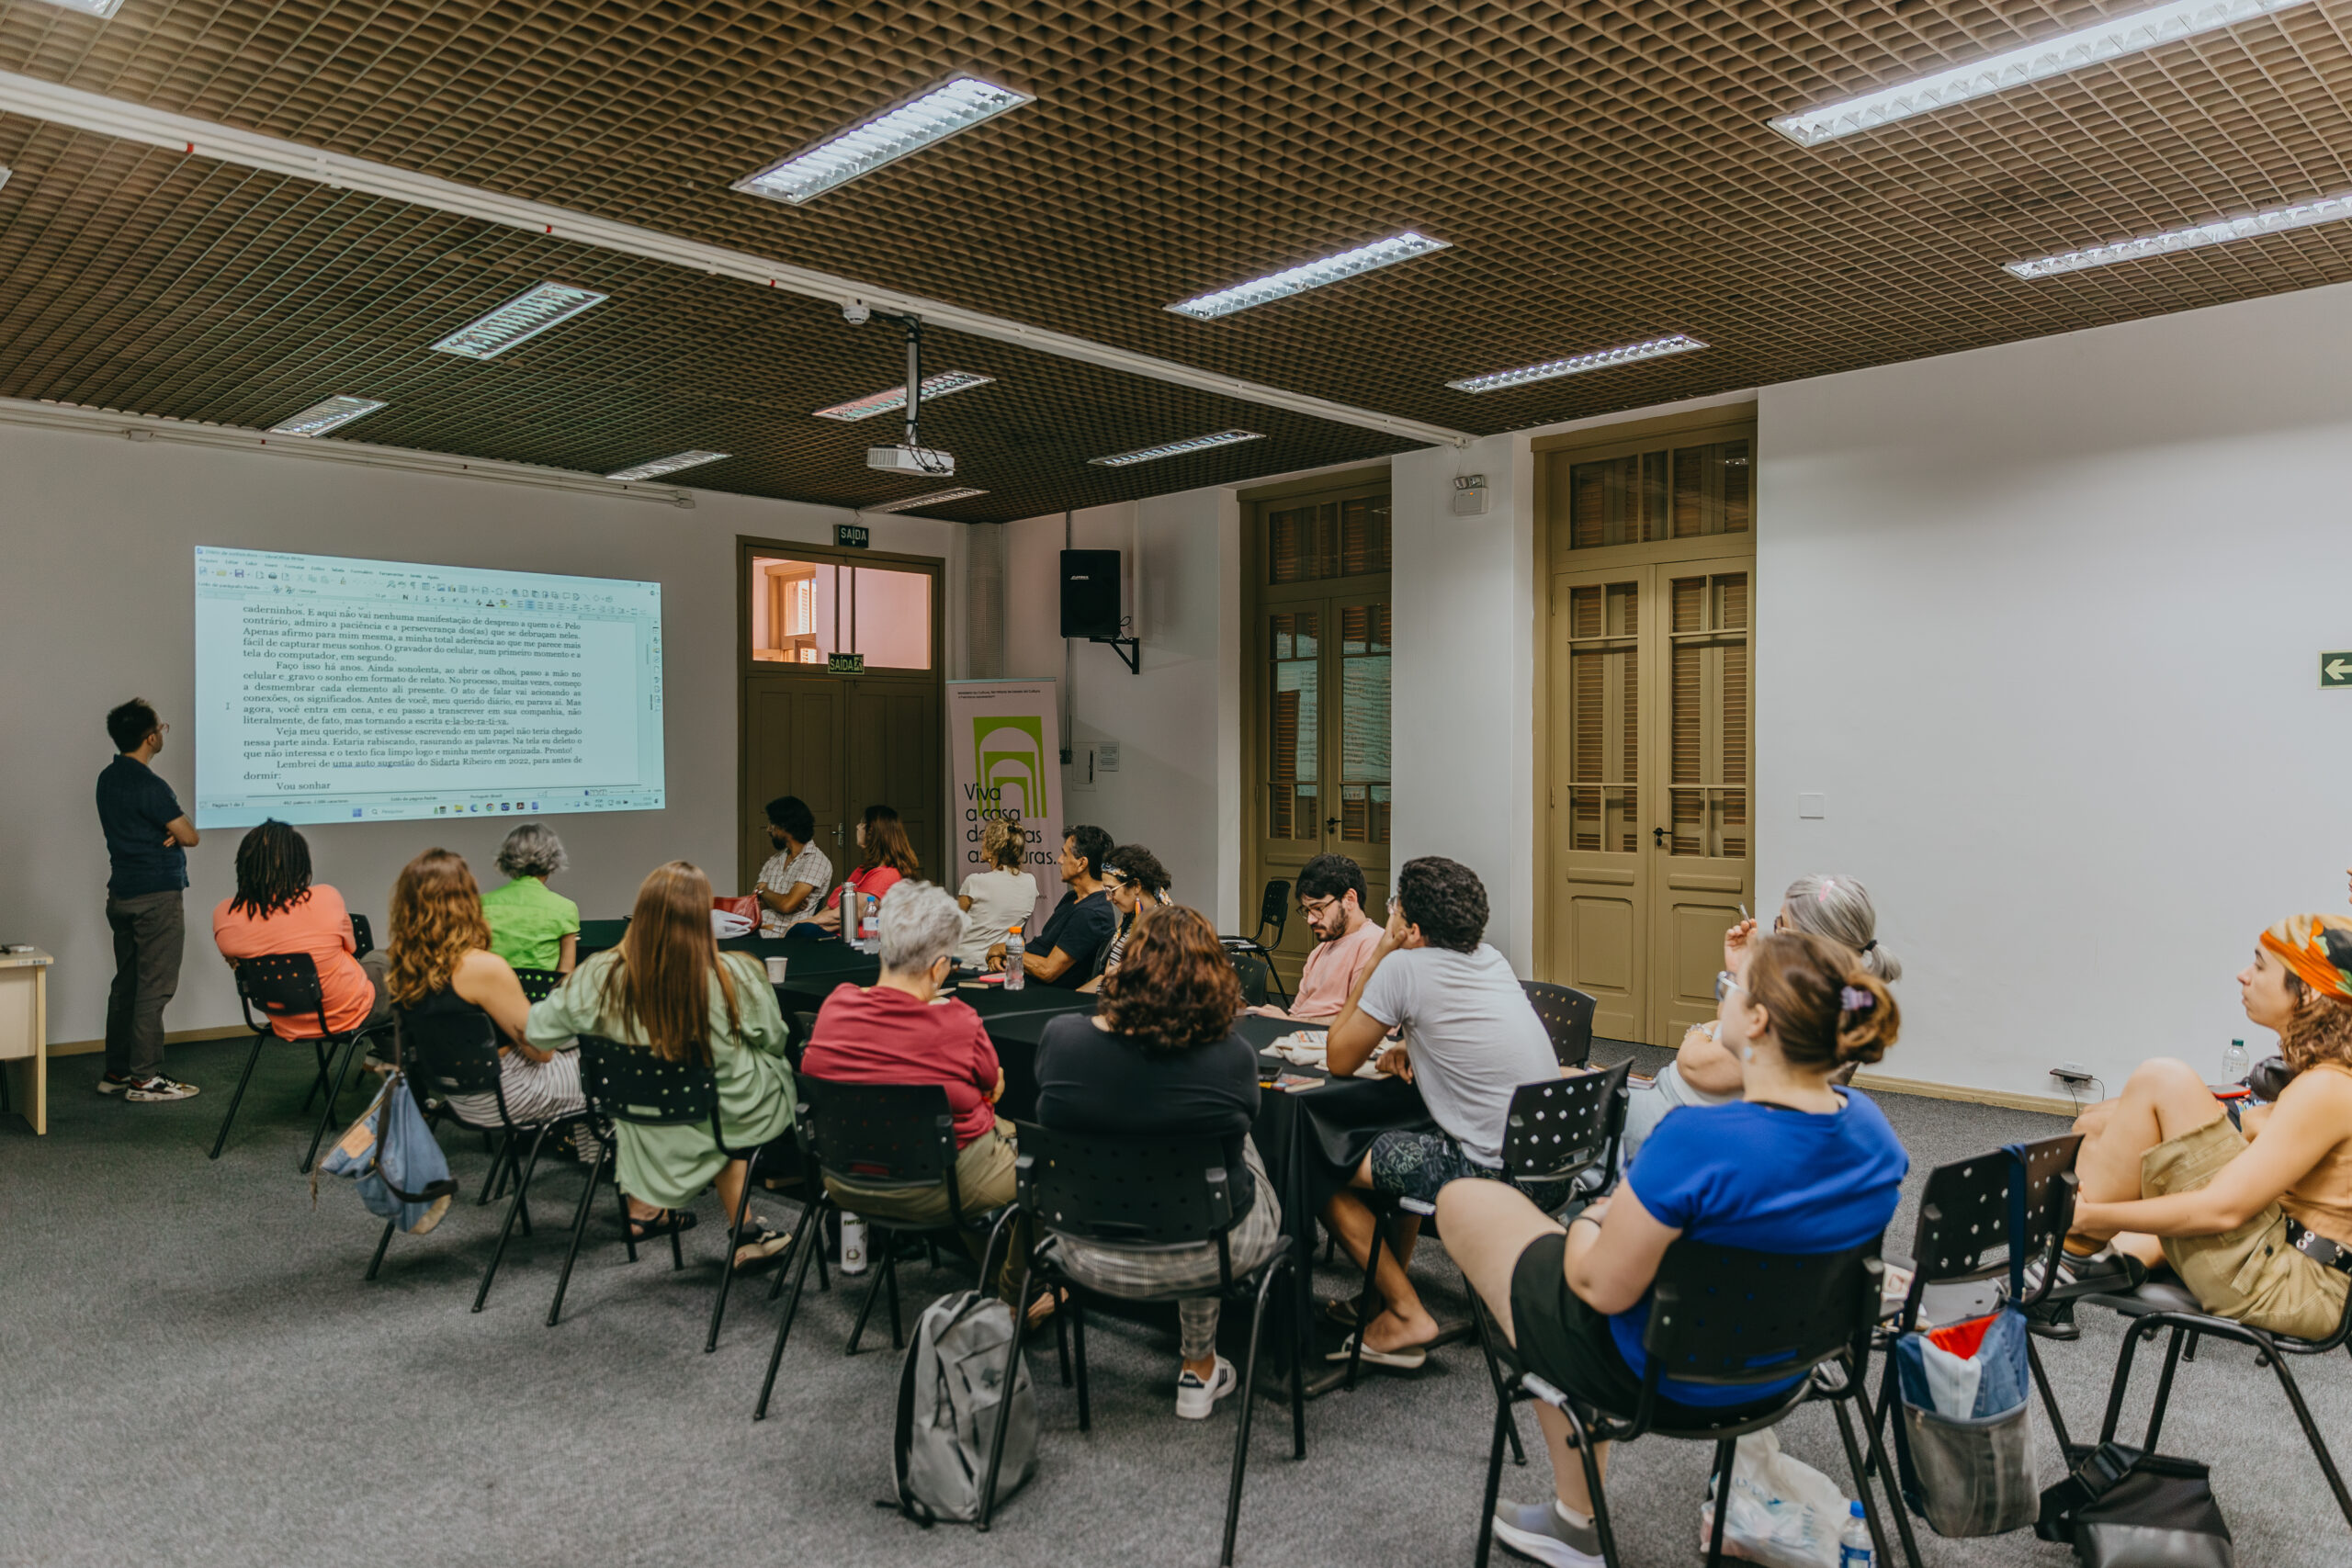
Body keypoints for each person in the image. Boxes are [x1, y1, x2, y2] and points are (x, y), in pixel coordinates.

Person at [1437, 931, 1906, 1567]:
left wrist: (1585, 1225)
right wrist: (1753, 972)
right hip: (1783, 1371)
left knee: (1470, 1206)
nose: (1722, 1001)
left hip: (1656, 1376)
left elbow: (1602, 1288)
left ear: (1760, 1019)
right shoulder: (1873, 1132)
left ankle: (1576, 1518)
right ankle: (1572, 1509)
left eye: (1729, 992)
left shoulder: (1697, 1139)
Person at [2040, 914, 2352, 1339]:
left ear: (2309, 992)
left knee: (2162, 1079)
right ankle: (2074, 1263)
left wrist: (2087, 1214)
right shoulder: (2326, 1075)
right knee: (2124, 1110)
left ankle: (2067, 1262)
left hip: (2290, 1284)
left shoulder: (2328, 1087)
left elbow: (2223, 1210)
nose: (2244, 975)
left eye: (2260, 966)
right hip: (2284, 1254)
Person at [1035, 904, 1283, 1419]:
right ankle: (1198, 1365)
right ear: (1214, 976)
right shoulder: (1232, 1056)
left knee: (1195, 1166)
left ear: (1126, 968)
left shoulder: (1061, 1039)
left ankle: (1200, 1361)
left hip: (1084, 1252)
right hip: (1209, 1254)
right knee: (1228, 1155)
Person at [1320, 856, 1562, 1368]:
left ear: (1411, 925)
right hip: (1552, 1164)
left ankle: (1407, 1314)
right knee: (1405, 1143)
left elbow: (1339, 1057)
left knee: (1320, 1161)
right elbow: (1471, 1030)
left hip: (1493, 1173)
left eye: (1395, 909)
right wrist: (1417, 1047)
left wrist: (1381, 952)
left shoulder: (1404, 968)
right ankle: (1387, 1295)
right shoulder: (1491, 959)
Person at [526, 861, 795, 1265]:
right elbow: (775, 1040)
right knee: (734, 1085)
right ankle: (744, 1228)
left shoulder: (600, 972)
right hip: (724, 1114)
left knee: (678, 1088)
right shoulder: (735, 973)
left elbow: (540, 1031)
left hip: (634, 1112)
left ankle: (646, 1207)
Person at [798, 881, 1026, 1301]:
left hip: (843, 1182)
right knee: (1047, 1169)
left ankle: (998, 1281)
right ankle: (1017, 1294)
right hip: (936, 1188)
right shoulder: (958, 1021)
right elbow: (993, 1087)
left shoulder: (836, 1005)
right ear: (940, 967)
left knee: (956, 1139)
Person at [1623, 874, 1903, 1164]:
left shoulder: (1793, 1015)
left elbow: (1694, 1066)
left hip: (1676, 1113)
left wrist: (1699, 1031)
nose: (1773, 935)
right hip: (1682, 1103)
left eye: (1779, 924)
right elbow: (1730, 1026)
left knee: (1573, 1093)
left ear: (1804, 941)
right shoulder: (1836, 1003)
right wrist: (1738, 970)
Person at [385, 849, 605, 1175]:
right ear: (466, 901)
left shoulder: (404, 965)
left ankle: (594, 1157)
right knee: (607, 1063)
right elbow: (541, 1052)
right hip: (507, 1094)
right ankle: (611, 1169)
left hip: (456, 1095)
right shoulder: (483, 967)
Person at [95, 698, 200, 1100]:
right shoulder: (151, 785)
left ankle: (117, 1073)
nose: (163, 733)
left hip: (121, 893)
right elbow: (190, 835)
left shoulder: (108, 778)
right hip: (156, 897)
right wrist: (175, 828)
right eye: (162, 728)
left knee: (127, 986)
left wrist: (169, 827)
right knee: (154, 989)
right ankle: (144, 1079)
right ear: (150, 737)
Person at [211, 819, 391, 1041]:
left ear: (245, 864)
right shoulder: (326, 898)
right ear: (299, 863)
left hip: (286, 1019)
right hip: (348, 1010)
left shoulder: (225, 913)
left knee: (378, 960)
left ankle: (383, 1056)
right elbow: (351, 948)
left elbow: (234, 960)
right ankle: (395, 1059)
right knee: (411, 973)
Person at [1247, 852, 1382, 1022]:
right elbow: (1297, 1015)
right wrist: (1282, 1021)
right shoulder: (1320, 951)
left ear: (1349, 899)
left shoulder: (1373, 944)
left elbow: (1363, 1024)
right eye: (1307, 911)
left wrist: (1288, 1022)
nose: (1311, 919)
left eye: (1318, 908)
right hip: (1302, 1039)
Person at [990, 825, 1116, 987]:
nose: (1059, 860)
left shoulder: (1091, 913)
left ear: (1081, 863)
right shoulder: (1072, 898)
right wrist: (1004, 957)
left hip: (1043, 995)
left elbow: (1048, 971)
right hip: (1022, 981)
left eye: (1065, 854)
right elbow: (1041, 948)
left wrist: (1005, 950)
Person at [480, 822, 581, 975]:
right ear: (552, 859)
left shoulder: (482, 904)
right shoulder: (565, 908)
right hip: (544, 997)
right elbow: (566, 973)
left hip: (492, 995)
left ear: (506, 858)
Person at [810, 805, 919, 935]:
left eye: (863, 823)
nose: (857, 826)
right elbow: (829, 908)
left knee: (800, 931)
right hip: (835, 937)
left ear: (872, 831)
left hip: (859, 945)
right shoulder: (862, 870)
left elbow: (843, 916)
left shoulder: (886, 875)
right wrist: (806, 923)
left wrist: (802, 925)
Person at [1076, 842, 1171, 990]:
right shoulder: (1130, 917)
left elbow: (1151, 989)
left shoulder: (1164, 928)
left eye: (1111, 890)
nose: (1108, 898)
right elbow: (1106, 977)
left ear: (1136, 886)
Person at [955, 816, 1038, 967]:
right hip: (1002, 967)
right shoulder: (1030, 883)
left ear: (995, 848)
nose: (982, 844)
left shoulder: (974, 883)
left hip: (964, 967)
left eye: (984, 840)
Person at [754, 795, 832, 937]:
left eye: (772, 824)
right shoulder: (775, 860)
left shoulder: (815, 861)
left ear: (785, 826)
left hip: (784, 938)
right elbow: (754, 904)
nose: (768, 830)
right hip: (757, 931)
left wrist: (764, 891)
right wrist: (780, 900)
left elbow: (786, 905)